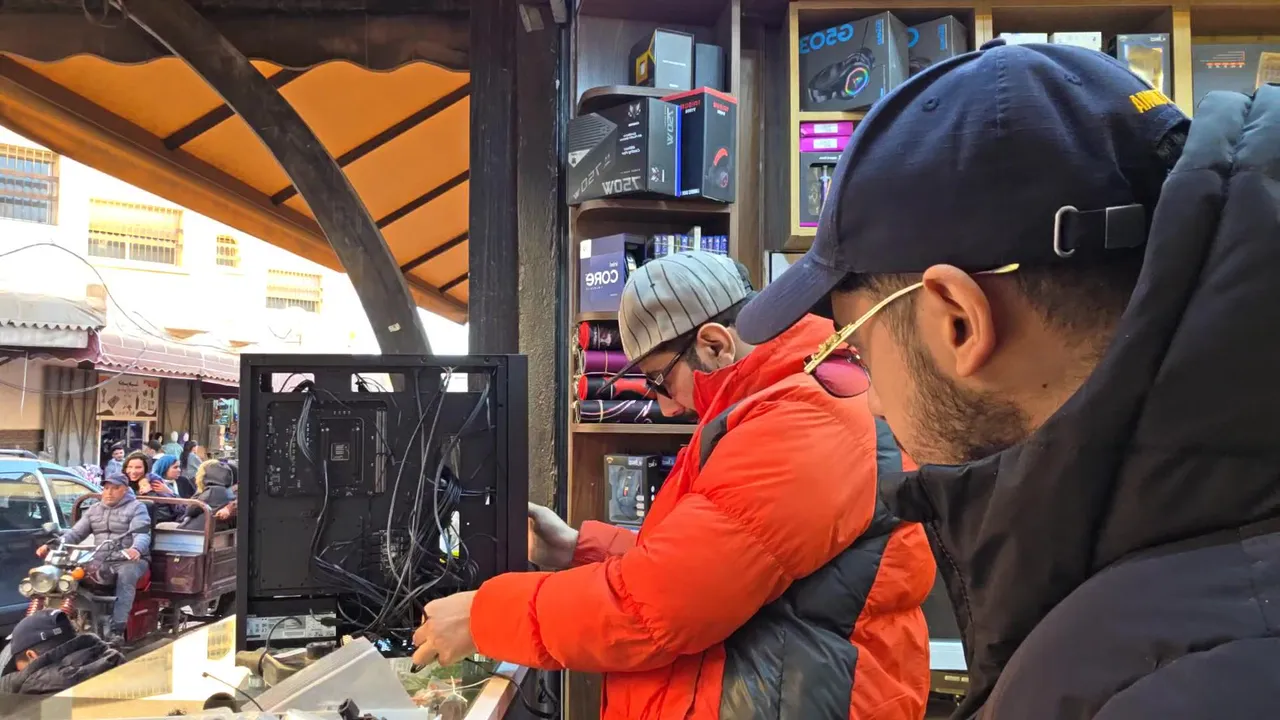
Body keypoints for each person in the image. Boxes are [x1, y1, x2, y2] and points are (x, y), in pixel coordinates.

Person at [737, 40, 1280, 716]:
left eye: (858, 351)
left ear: (958, 321)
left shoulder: (1175, 684)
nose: (872, 401)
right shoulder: (1181, 581)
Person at [413, 252, 935, 719]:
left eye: (659, 380)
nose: (665, 407)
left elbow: (654, 610)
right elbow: (706, 566)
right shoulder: (775, 405)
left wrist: (483, 616)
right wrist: (578, 547)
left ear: (714, 343)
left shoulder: (800, 422)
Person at [39, 474, 151, 642]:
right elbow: (75, 534)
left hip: (128, 559)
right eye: (106, 488)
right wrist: (52, 546)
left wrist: (136, 548)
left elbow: (142, 533)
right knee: (67, 572)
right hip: (100, 558)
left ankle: (117, 629)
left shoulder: (137, 508)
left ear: (125, 490)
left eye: (115, 488)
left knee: (126, 575)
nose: (109, 492)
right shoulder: (94, 510)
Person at [0, 610, 123, 695]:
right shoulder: (113, 659)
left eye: (17, 665)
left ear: (31, 655)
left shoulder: (35, 688)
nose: (17, 671)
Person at [123, 452, 180, 524]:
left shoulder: (155, 484)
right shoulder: (120, 482)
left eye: (138, 467)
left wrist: (169, 493)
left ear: (146, 469)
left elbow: (163, 514)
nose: (133, 471)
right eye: (129, 467)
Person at [180, 459, 235, 531]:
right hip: (217, 529)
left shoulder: (211, 492)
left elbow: (190, 510)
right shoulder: (229, 491)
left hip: (196, 531)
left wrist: (199, 491)